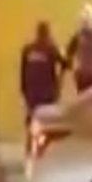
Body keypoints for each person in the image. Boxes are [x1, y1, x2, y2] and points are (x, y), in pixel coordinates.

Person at [20, 21, 67, 150]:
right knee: (47, 122)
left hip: (31, 92)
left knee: (32, 119)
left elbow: (22, 71)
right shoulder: (51, 49)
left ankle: (30, 147)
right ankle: (44, 149)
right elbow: (66, 64)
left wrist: (23, 89)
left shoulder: (28, 49)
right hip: (47, 92)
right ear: (47, 34)